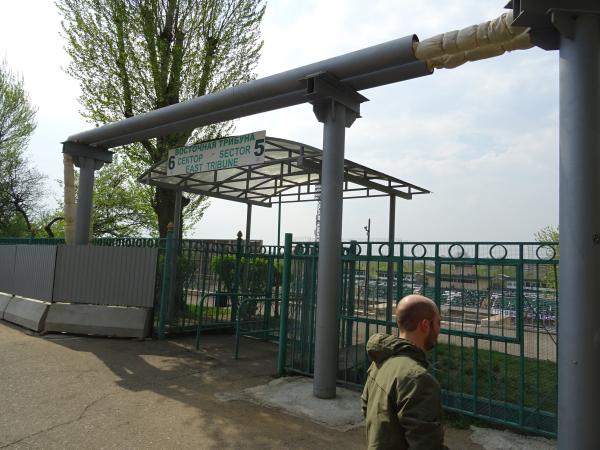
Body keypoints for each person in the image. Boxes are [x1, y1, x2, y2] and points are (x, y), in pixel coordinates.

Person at [361, 294, 447, 450]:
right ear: (425, 325)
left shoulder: (380, 362)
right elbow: (426, 444)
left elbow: (366, 409)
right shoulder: (418, 379)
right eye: (438, 322)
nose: (439, 329)